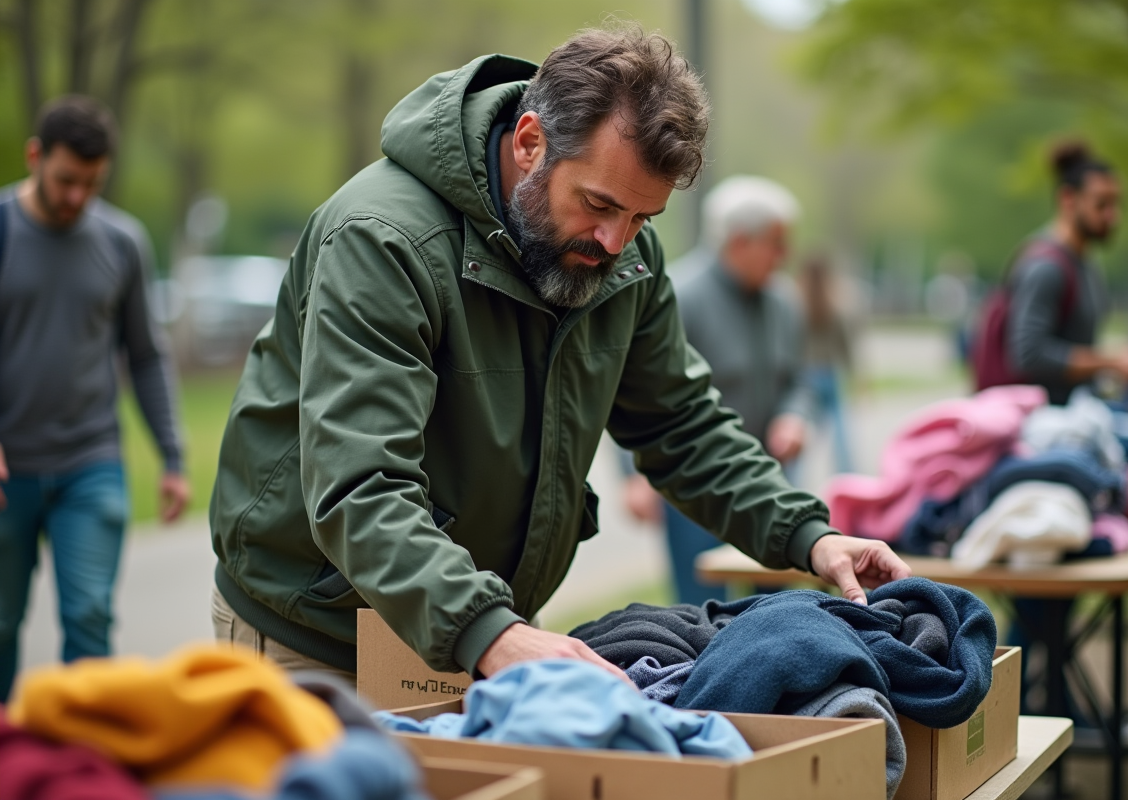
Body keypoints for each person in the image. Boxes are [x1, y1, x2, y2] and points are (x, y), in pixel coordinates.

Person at [208, 27, 911, 685]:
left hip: (482, 630)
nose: (615, 241)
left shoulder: (624, 255)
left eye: (642, 217)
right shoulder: (382, 239)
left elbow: (682, 426)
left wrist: (808, 535)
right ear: (529, 141)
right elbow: (362, 484)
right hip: (322, 639)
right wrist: (490, 631)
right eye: (599, 204)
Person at [0, 96, 190, 701]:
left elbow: (146, 355)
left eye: (92, 183)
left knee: (89, 617)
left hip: (91, 462)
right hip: (8, 469)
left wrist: (172, 456)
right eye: (65, 180)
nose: (77, 196)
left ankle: (83, 751)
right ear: (35, 156)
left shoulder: (122, 242)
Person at [622, 175, 811, 605]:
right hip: (694, 482)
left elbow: (799, 380)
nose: (785, 256)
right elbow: (635, 390)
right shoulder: (676, 295)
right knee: (701, 607)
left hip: (767, 478)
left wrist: (795, 415)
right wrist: (634, 476)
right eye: (776, 243)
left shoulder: (784, 303)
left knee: (777, 605)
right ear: (739, 241)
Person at [1005, 141, 1128, 404]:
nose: (1113, 216)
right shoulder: (1045, 267)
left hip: (1078, 409)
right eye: (1102, 204)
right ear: (1068, 199)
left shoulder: (1085, 262)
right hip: (1043, 419)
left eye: (1116, 204)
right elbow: (1029, 354)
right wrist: (1111, 362)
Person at [798, 253, 855, 477]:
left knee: (801, 428)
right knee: (840, 428)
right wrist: (856, 376)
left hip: (807, 373)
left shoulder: (797, 305)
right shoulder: (835, 306)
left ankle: (793, 476)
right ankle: (846, 473)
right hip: (829, 372)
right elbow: (846, 346)